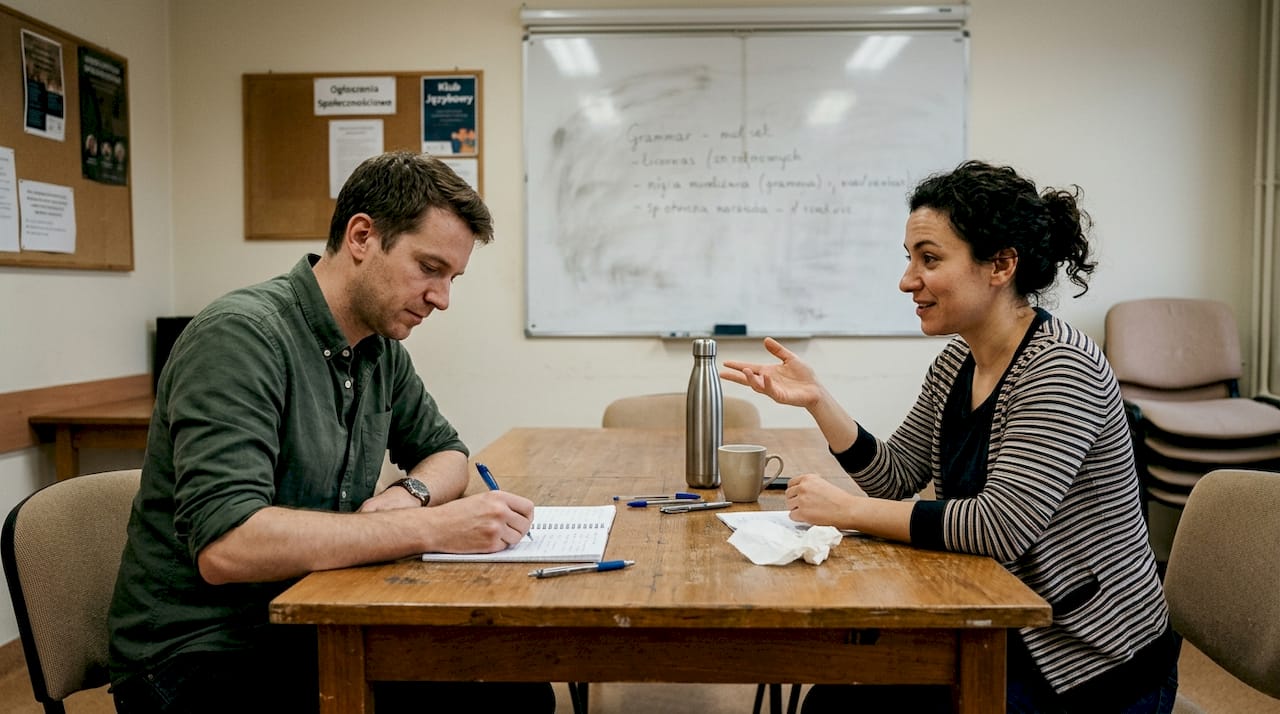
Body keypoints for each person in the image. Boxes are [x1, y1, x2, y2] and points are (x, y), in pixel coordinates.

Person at [107, 151, 556, 714]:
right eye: (430, 268)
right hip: (199, 657)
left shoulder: (378, 347)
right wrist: (433, 526)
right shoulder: (241, 338)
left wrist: (405, 496)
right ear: (362, 236)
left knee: (517, 690)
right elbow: (228, 546)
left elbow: (446, 453)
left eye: (451, 278)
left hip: (314, 616)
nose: (442, 298)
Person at [721, 160, 1178, 713]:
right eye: (909, 258)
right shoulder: (958, 359)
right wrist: (818, 399)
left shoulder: (1061, 368)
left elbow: (999, 527)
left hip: (1086, 663)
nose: (908, 279)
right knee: (835, 700)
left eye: (929, 259)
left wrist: (845, 511)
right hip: (1005, 620)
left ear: (1001, 264)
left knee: (838, 707)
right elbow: (894, 478)